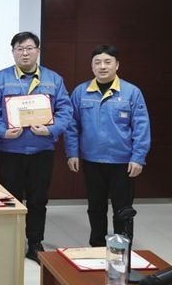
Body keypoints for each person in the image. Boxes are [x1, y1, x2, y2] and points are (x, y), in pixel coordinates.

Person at [0, 31, 72, 263]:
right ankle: (11, 241)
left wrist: (50, 130)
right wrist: (2, 131)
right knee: (11, 200)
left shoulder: (53, 79)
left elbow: (65, 111)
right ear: (13, 52)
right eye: (20, 49)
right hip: (10, 150)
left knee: (38, 199)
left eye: (29, 48)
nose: (25, 53)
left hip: (41, 149)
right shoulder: (0, 79)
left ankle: (35, 243)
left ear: (38, 51)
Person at [65, 45, 150, 247]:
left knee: (123, 209)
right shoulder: (81, 92)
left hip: (123, 162)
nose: (102, 66)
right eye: (98, 62)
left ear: (117, 65)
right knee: (95, 208)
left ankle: (121, 249)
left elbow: (141, 127)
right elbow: (71, 126)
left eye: (107, 62)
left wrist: (138, 158)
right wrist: (72, 153)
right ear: (92, 66)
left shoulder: (131, 92)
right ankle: (97, 246)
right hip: (92, 160)